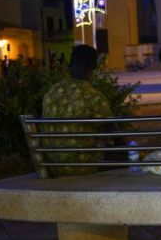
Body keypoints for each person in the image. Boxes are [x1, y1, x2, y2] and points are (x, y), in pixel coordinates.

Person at [42, 45, 112, 177]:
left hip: (53, 165)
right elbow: (113, 134)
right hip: (82, 166)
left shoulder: (52, 92)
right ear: (93, 68)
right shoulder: (93, 96)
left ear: (69, 65)